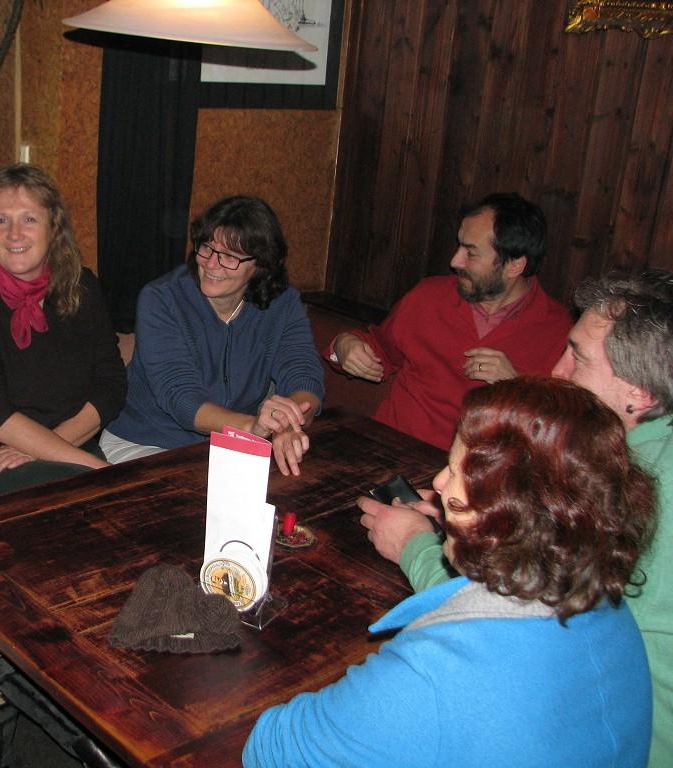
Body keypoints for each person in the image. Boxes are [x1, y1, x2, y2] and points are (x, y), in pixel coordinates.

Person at [245, 377, 654, 767]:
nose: (440, 482)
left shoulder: (435, 672)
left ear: (504, 508)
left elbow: (271, 749)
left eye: (457, 471)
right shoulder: (611, 612)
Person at [360, 269, 673, 767]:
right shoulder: (630, 453)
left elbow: (525, 633)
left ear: (641, 394)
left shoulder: (639, 487)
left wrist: (415, 547)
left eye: (578, 357)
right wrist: (475, 515)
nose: (557, 370)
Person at [0, 164, 126, 499]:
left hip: (69, 447)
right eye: (1, 220)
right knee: (103, 498)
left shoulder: (82, 286)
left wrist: (48, 448)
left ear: (54, 226)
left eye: (29, 219)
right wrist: (102, 472)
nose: (14, 233)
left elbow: (111, 385)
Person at [101, 196, 325, 476]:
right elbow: (182, 399)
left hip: (228, 446)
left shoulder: (282, 303)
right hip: (146, 442)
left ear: (261, 264)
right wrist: (252, 427)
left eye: (230, 256)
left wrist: (287, 422)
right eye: (207, 247)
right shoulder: (163, 299)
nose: (211, 264)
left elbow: (303, 373)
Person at [328, 193, 571, 449]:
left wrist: (516, 387)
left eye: (471, 253)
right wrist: (344, 345)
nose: (454, 261)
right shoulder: (428, 296)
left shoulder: (559, 331)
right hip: (391, 450)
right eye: (459, 247)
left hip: (481, 468)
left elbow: (564, 432)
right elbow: (379, 349)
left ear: (515, 266)